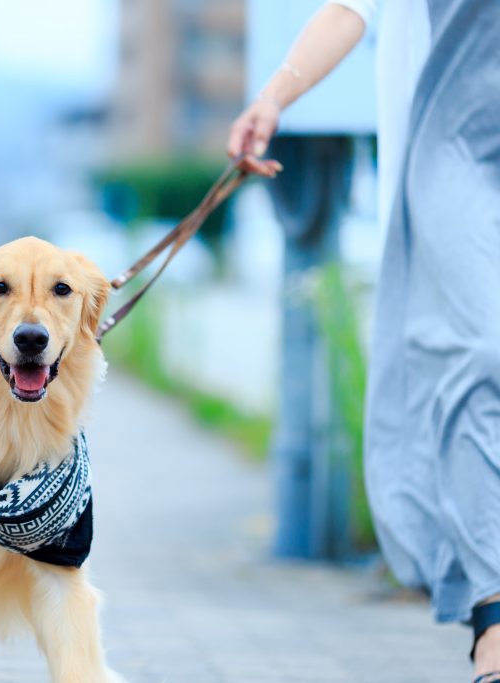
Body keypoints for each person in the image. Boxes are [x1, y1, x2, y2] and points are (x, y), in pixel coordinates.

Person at [227, 1, 500, 681]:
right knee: (480, 350)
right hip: (459, 150)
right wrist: (273, 97)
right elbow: (349, 8)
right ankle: (494, 608)